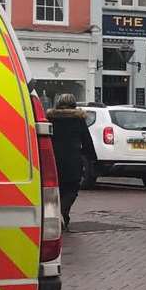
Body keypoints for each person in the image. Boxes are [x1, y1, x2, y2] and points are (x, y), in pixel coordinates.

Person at [47, 93, 95, 229]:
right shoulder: (78, 120)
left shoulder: (50, 118)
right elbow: (87, 141)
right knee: (72, 188)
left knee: (56, 188)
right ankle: (63, 211)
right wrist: (91, 157)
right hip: (73, 160)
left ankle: (58, 214)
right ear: (74, 104)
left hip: (52, 159)